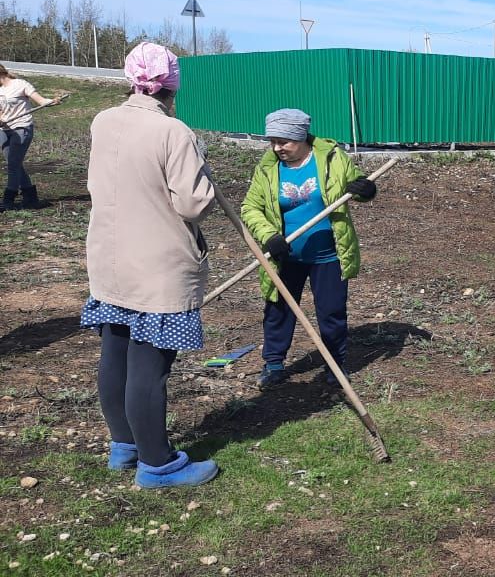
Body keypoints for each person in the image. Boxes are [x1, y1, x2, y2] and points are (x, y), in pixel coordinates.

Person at [81, 42, 219, 489]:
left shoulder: (104, 121)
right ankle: (158, 464)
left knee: (116, 349)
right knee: (149, 364)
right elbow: (194, 203)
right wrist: (204, 177)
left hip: (109, 256)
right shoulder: (173, 132)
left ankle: (124, 445)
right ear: (172, 86)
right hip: (157, 262)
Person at [240, 108, 376, 390]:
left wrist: (366, 190)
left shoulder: (332, 157)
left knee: (331, 312)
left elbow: (356, 186)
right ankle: (274, 363)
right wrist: (269, 236)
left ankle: (335, 365)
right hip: (284, 255)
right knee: (278, 310)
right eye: (273, 141)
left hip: (329, 255)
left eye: (284, 142)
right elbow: (250, 207)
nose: (277, 148)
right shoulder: (268, 167)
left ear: (300, 138)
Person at [0, 64, 61, 211]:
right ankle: (30, 198)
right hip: (4, 130)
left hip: (22, 128)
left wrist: (51, 101)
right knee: (15, 163)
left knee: (13, 164)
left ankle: (8, 199)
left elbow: (40, 101)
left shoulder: (20, 84)